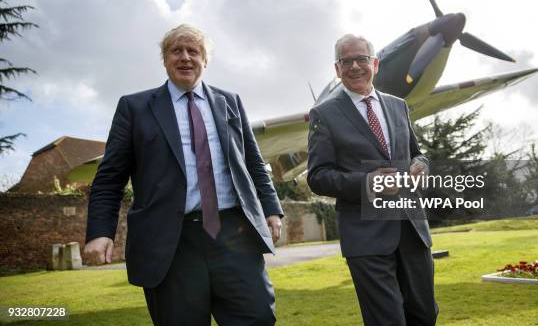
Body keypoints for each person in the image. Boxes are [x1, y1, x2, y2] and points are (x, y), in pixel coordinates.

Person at [84, 24, 283, 325]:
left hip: (234, 234)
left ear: (205, 60)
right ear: (165, 59)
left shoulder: (230, 102)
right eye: (176, 50)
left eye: (194, 51)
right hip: (170, 244)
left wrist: (271, 209)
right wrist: (100, 232)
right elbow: (109, 178)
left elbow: (254, 163)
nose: (185, 57)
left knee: (257, 318)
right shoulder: (134, 108)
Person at [307, 34, 438, 325]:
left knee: (425, 315)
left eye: (361, 59)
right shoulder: (323, 114)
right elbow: (318, 177)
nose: (355, 66)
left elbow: (418, 154)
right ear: (337, 68)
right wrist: (368, 182)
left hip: (412, 231)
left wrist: (420, 165)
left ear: (375, 64)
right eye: (346, 61)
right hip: (366, 236)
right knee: (387, 321)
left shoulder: (398, 106)